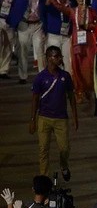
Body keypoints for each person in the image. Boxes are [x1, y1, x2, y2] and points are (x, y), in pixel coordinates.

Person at [30, 46, 78, 180]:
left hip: (61, 119)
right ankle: (44, 177)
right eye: (56, 56)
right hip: (44, 118)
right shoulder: (40, 77)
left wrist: (75, 116)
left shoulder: (65, 76)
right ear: (48, 58)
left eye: (59, 56)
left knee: (64, 148)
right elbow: (35, 98)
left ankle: (63, 165)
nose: (59, 59)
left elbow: (71, 96)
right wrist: (32, 120)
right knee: (43, 150)